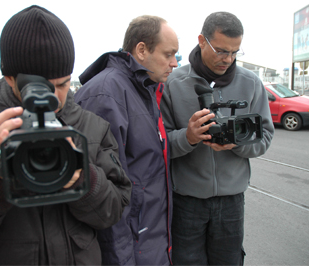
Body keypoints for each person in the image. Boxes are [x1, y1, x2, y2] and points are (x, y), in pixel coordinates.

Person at [0, 5, 131, 265]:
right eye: (39, 87)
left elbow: (114, 210)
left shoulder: (91, 127)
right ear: (9, 78)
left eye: (63, 84)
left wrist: (82, 177)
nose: (54, 97)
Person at [160, 12, 274, 265]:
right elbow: (159, 142)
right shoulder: (173, 83)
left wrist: (238, 144)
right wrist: (187, 137)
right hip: (186, 201)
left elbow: (265, 137)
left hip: (232, 200)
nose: (228, 59)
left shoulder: (252, 83)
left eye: (235, 52)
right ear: (202, 41)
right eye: (221, 51)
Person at [74, 15, 179, 265]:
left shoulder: (144, 88)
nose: (175, 63)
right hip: (132, 248)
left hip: (149, 243)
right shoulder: (107, 94)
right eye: (169, 54)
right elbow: (102, 194)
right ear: (141, 50)